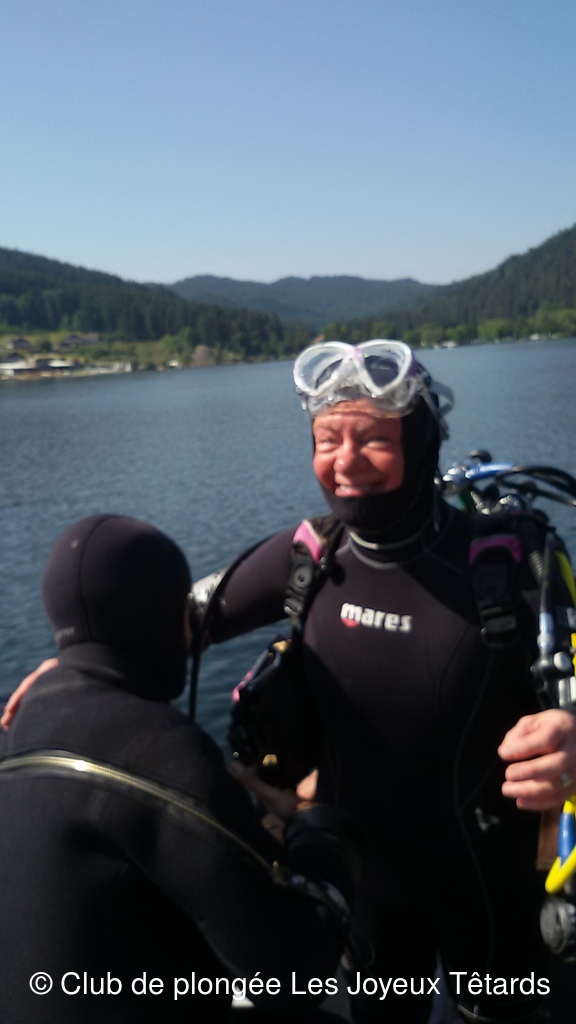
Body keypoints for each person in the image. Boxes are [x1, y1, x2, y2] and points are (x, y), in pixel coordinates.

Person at [190, 340, 576, 1023]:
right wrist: (80, 663)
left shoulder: (509, 561)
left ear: (421, 442)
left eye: (373, 439)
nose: (344, 462)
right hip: (365, 891)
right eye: (327, 440)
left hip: (486, 883)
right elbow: (171, 622)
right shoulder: (308, 557)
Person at [0, 513, 364, 1024]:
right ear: (164, 621)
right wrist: (314, 826)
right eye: (184, 612)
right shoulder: (163, 751)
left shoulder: (19, 721)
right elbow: (293, 977)